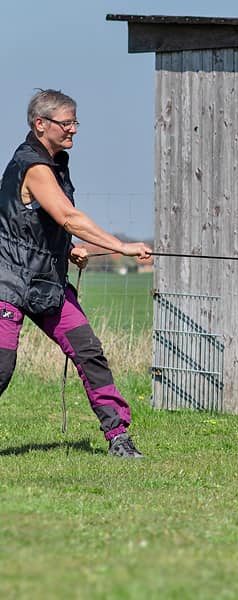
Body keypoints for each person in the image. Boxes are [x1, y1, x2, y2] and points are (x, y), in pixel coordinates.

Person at [0, 89, 152, 458]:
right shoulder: (32, 166)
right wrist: (121, 246)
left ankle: (118, 436)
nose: (74, 130)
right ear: (41, 125)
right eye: (66, 123)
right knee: (1, 368)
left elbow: (35, 224)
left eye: (75, 122)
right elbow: (68, 217)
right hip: (8, 282)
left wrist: (68, 249)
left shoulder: (56, 163)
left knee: (89, 353)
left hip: (47, 284)